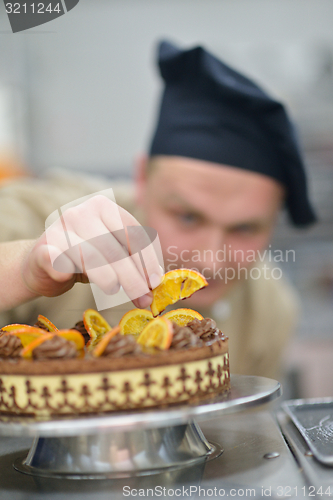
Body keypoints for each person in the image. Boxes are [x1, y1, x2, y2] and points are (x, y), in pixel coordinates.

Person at [0, 40, 316, 379]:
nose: (210, 261)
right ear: (141, 180)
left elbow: (241, 429)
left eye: (245, 229)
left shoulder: (269, 308)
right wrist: (23, 269)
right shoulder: (40, 215)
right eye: (188, 217)